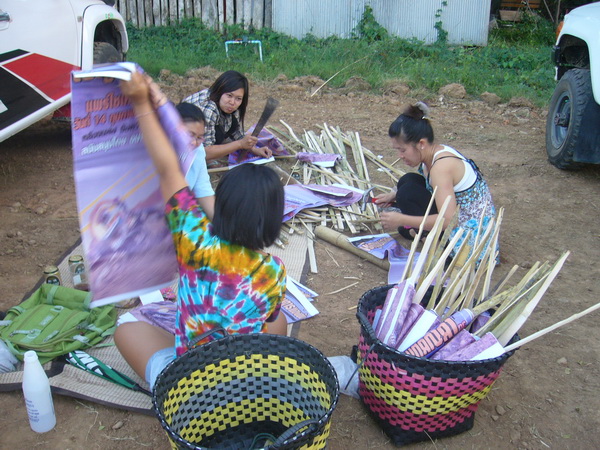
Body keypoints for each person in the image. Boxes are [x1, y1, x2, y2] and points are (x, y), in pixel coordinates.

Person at [115, 72, 288, 389]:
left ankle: (174, 389)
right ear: (273, 220)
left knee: (125, 329)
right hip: (242, 383)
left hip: (192, 388)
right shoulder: (274, 271)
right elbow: (268, 319)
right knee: (280, 321)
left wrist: (141, 101)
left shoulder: (194, 242)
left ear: (224, 206)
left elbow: (167, 168)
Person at [375, 102, 497, 261]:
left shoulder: (441, 167)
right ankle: (417, 231)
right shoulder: (435, 153)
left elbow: (449, 221)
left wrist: (401, 219)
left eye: (403, 150)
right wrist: (393, 195)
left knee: (407, 194)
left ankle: (436, 247)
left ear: (421, 144)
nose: (400, 156)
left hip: (468, 242)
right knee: (407, 181)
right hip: (460, 217)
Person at [183, 70, 272, 162]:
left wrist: (254, 149)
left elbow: (237, 134)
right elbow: (204, 152)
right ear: (220, 91)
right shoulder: (208, 109)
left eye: (238, 98)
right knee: (218, 136)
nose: (232, 102)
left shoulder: (230, 106)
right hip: (182, 150)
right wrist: (240, 144)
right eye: (229, 95)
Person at [175, 102, 215, 218]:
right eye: (189, 135)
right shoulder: (159, 151)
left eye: (199, 137)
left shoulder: (198, 150)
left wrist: (220, 224)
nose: (194, 142)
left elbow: (203, 191)